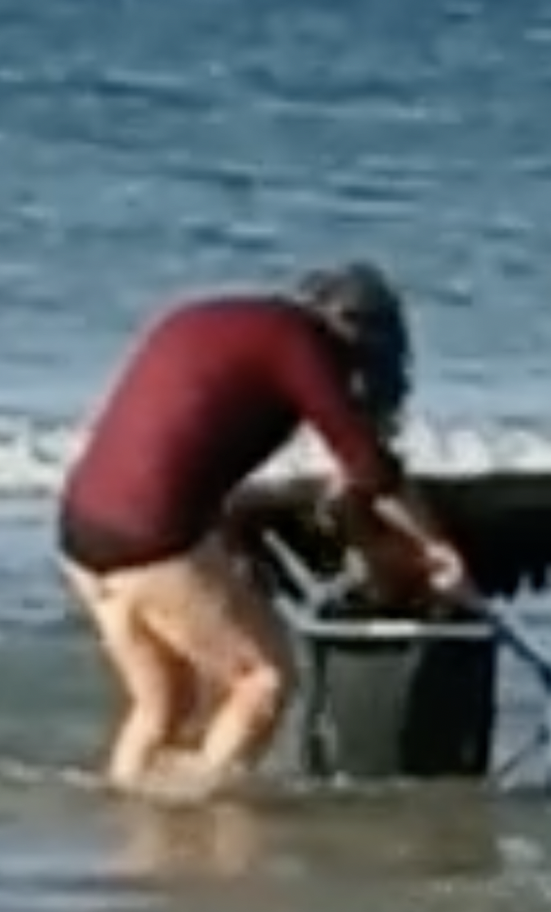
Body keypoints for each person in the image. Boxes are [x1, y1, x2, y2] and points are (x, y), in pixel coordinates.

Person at [55, 261, 468, 801]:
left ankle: (131, 833)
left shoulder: (213, 318)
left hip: (79, 533)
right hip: (151, 538)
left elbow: (181, 430)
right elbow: (369, 469)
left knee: (163, 703)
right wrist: (437, 549)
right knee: (263, 679)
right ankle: (199, 819)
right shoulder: (302, 344)